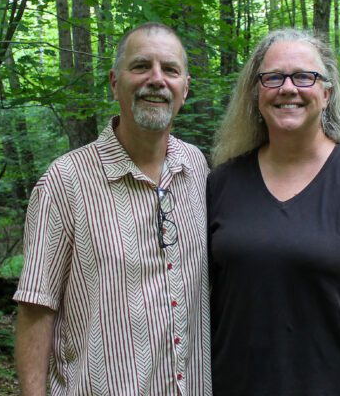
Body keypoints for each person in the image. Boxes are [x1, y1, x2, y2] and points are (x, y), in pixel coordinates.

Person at [208, 28, 340, 396]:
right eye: (273, 77)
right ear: (256, 93)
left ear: (326, 92)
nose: (288, 88)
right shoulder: (222, 182)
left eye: (305, 76)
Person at [14, 22, 211, 396]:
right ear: (114, 81)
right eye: (140, 66)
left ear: (185, 87)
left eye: (170, 70)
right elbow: (36, 311)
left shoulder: (196, 167)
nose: (156, 79)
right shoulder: (64, 181)